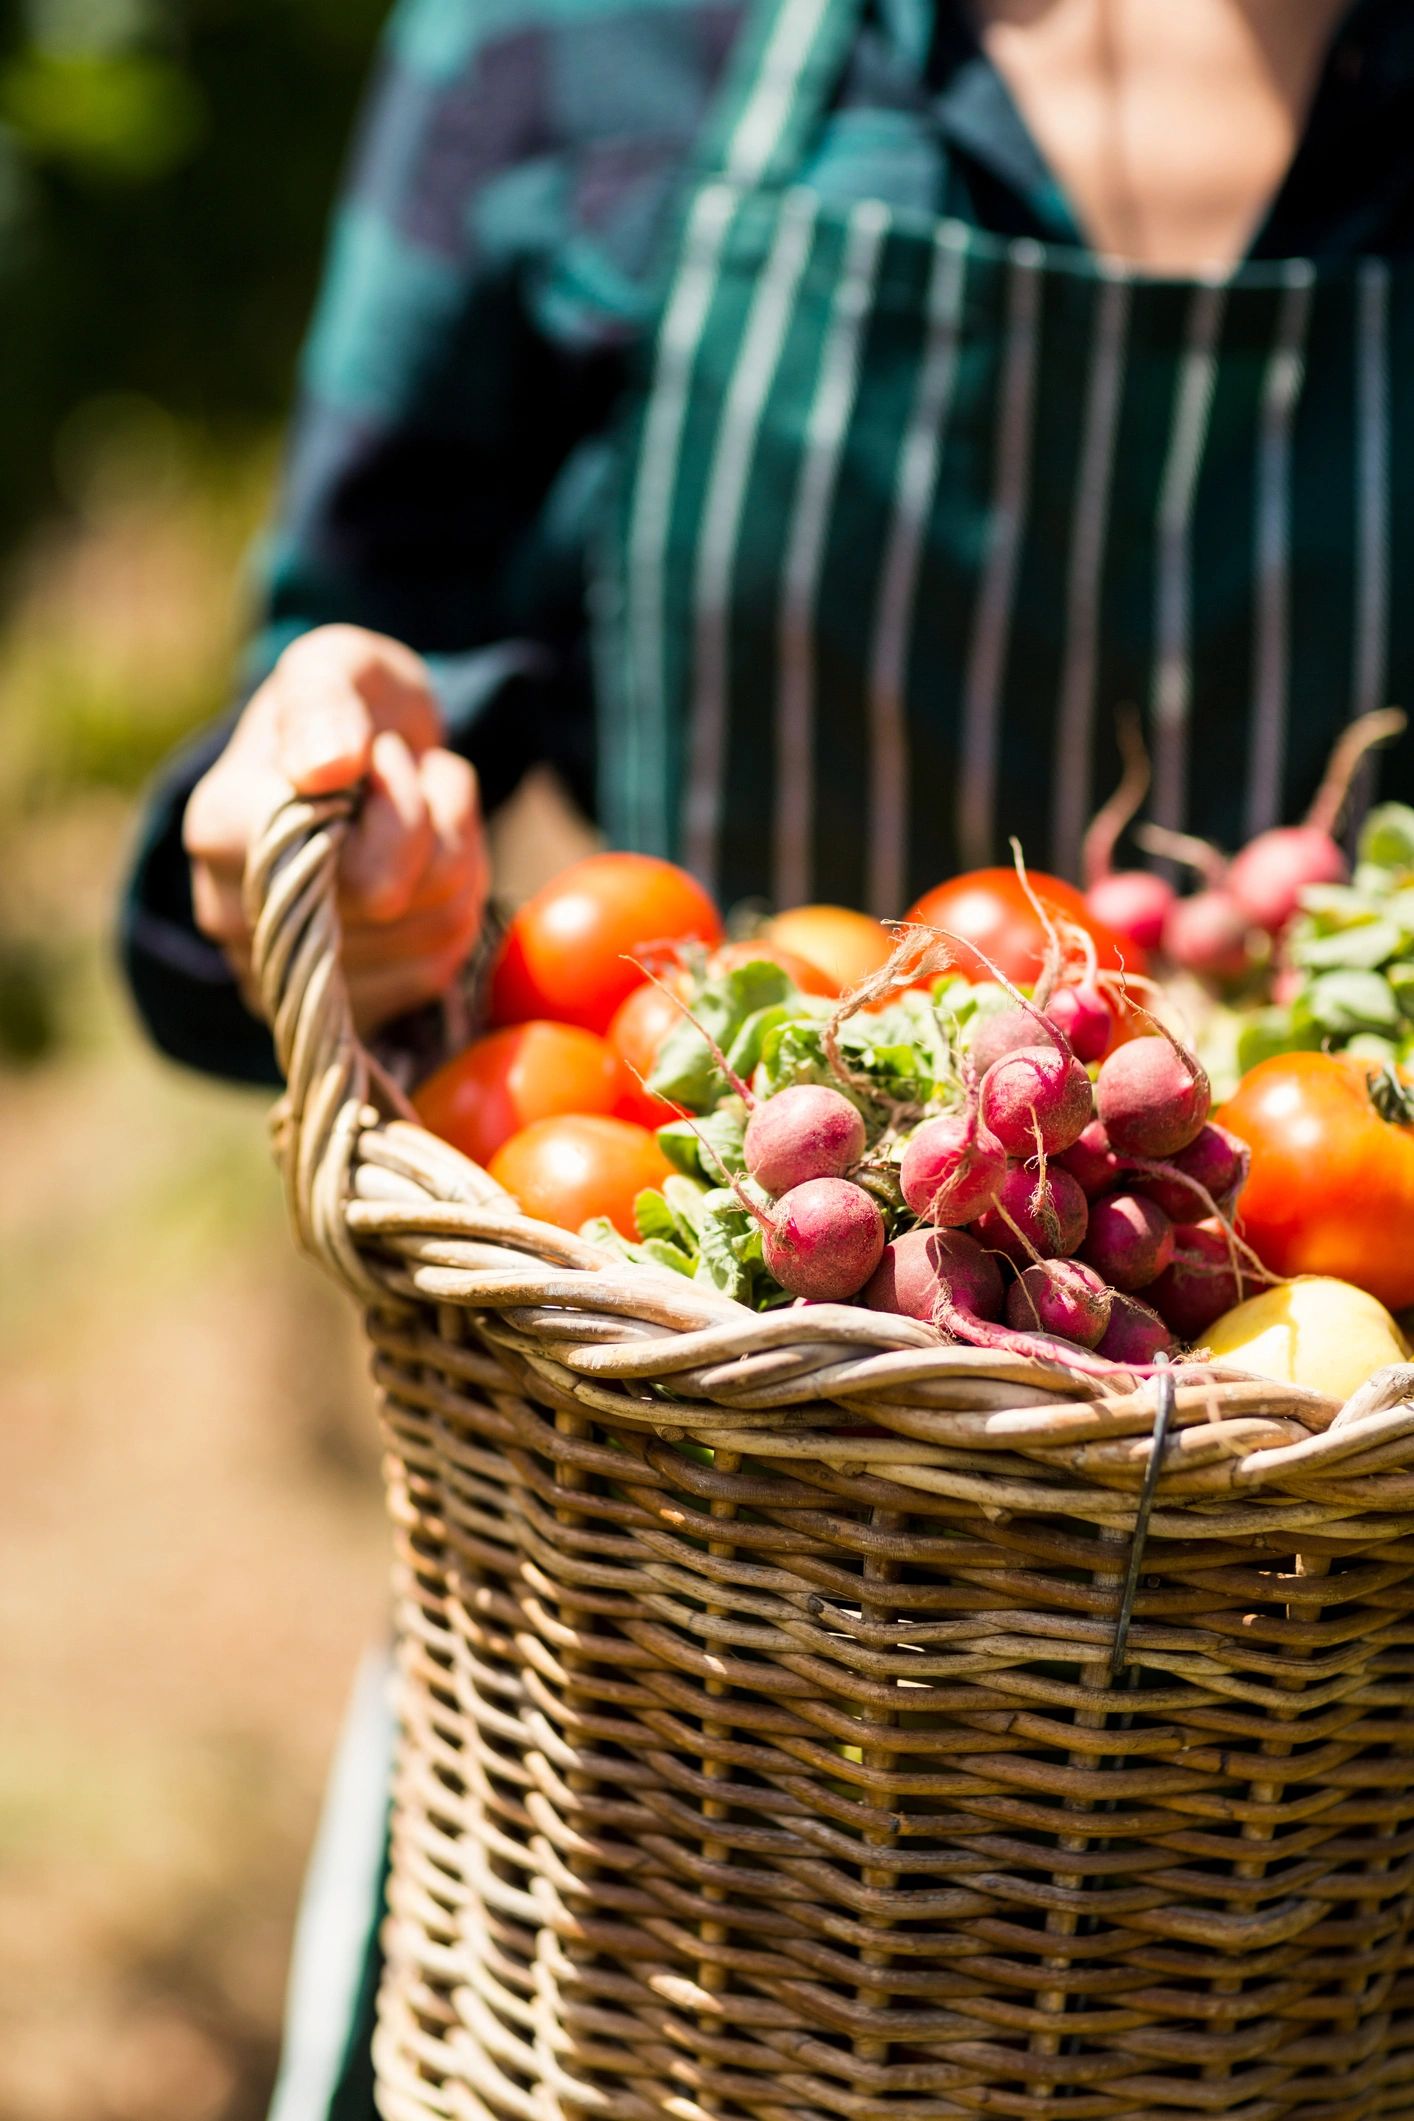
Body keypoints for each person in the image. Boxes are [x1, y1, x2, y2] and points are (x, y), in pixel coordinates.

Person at [121, 0, 1414, 2112]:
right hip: (671, 1722)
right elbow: (319, 716)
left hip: (1306, 1790)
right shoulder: (588, 36)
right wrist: (334, 837)